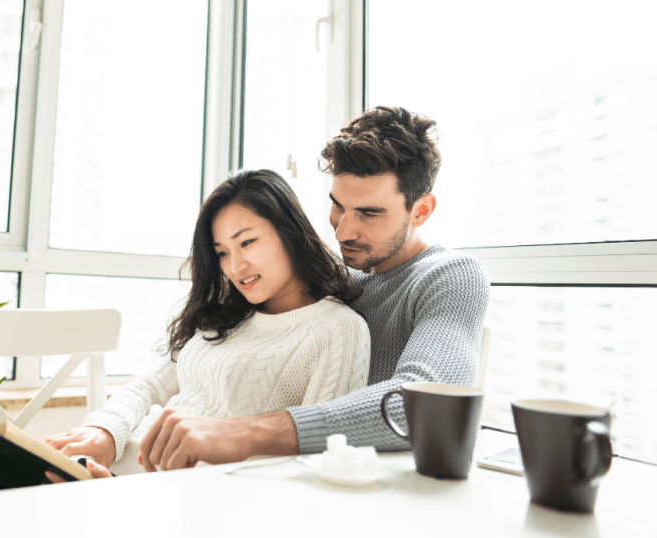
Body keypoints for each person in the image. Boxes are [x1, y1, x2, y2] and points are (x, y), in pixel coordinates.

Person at [128, 106, 491, 470]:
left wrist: (242, 433)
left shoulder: (451, 277)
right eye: (337, 206)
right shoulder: (338, 276)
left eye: (369, 213)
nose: (343, 231)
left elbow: (427, 405)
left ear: (421, 210)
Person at [44, 168, 371, 477]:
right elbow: (151, 386)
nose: (236, 266)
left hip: (167, 496)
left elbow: (318, 455)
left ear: (290, 233)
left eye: (246, 242)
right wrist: (104, 432)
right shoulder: (229, 314)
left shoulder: (337, 330)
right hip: (112, 467)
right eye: (222, 253)